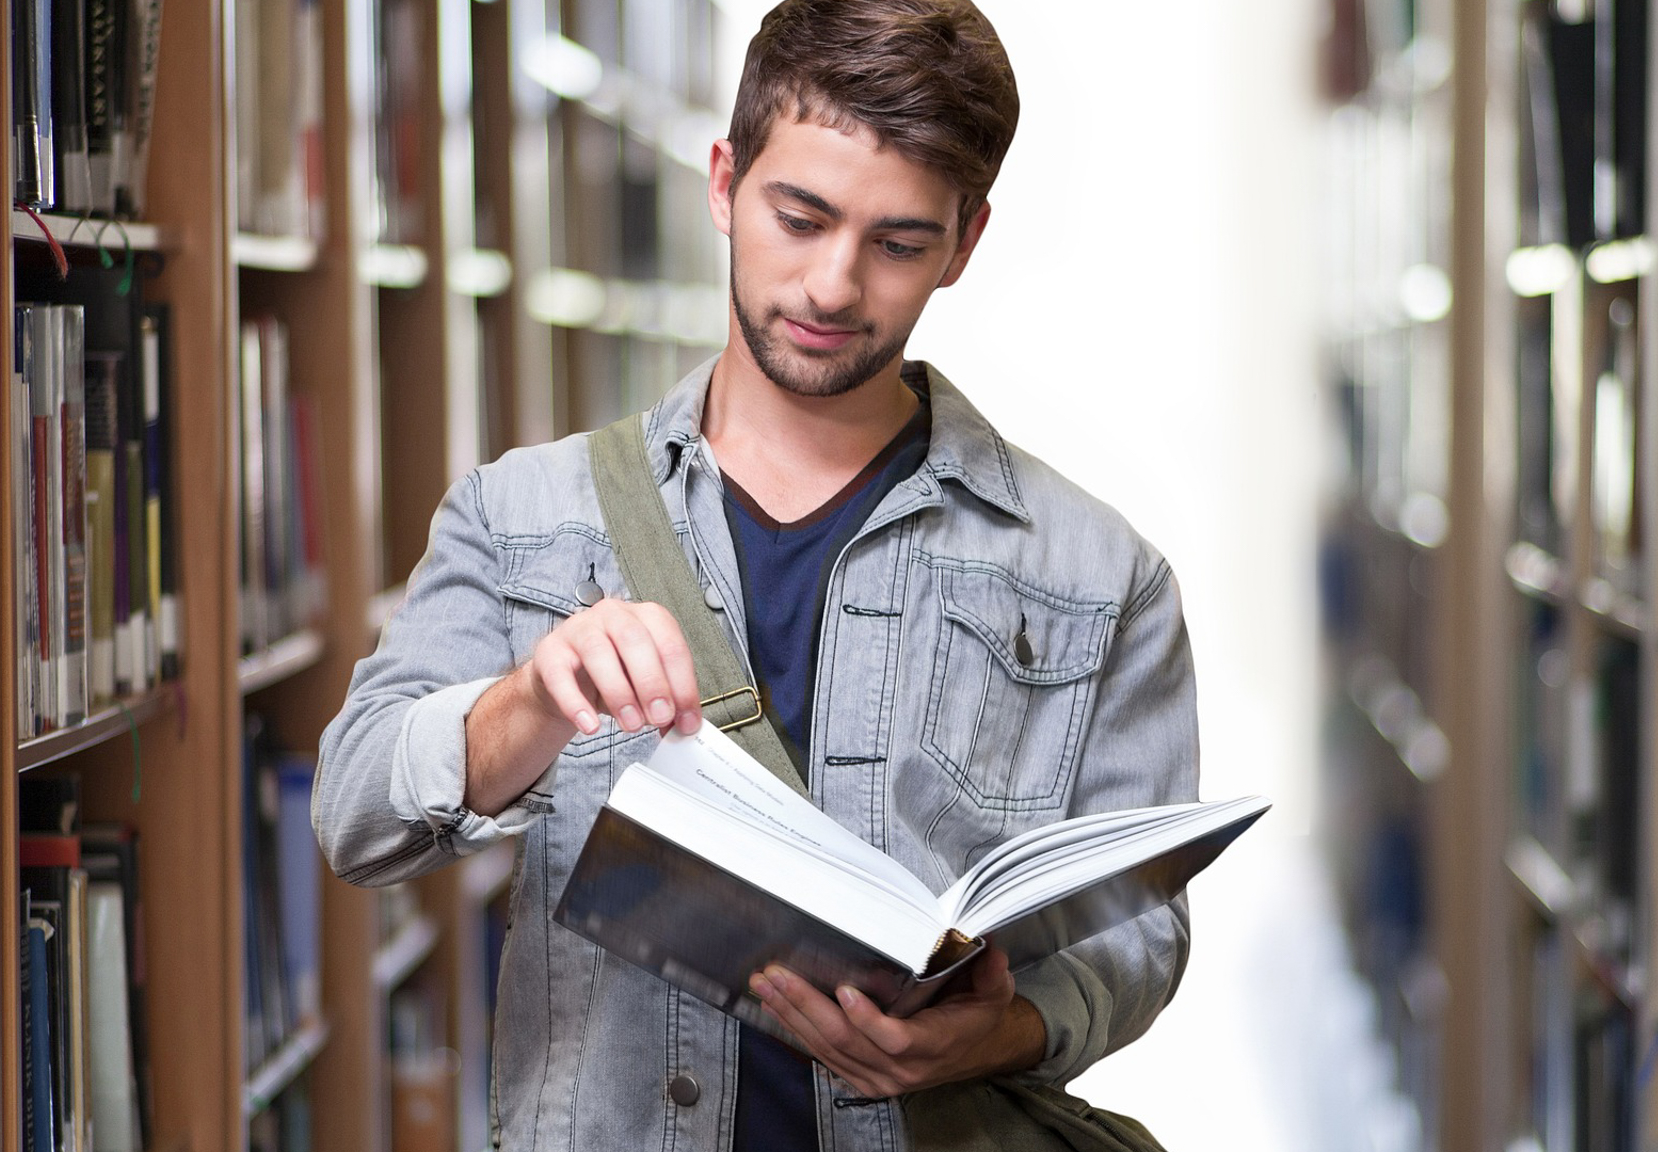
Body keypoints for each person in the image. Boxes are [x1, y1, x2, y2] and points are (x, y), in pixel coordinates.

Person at [314, 2, 1200, 1148]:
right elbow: (355, 815)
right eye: (801, 215)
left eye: (897, 243)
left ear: (965, 243)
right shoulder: (522, 516)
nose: (833, 287)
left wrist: (1002, 1030)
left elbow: (1140, 935)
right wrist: (525, 701)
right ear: (724, 180)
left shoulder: (1100, 575)